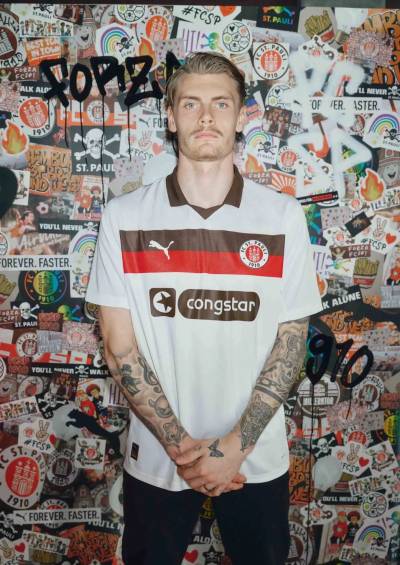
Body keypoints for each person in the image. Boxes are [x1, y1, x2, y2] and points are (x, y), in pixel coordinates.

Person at [86, 52, 322, 565]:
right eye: (191, 104)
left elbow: (291, 343)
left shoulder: (281, 216)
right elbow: (119, 348)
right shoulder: (125, 217)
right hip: (159, 458)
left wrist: (236, 446)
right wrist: (182, 449)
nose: (207, 116)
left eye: (221, 103)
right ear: (171, 117)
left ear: (240, 117)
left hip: (255, 457)